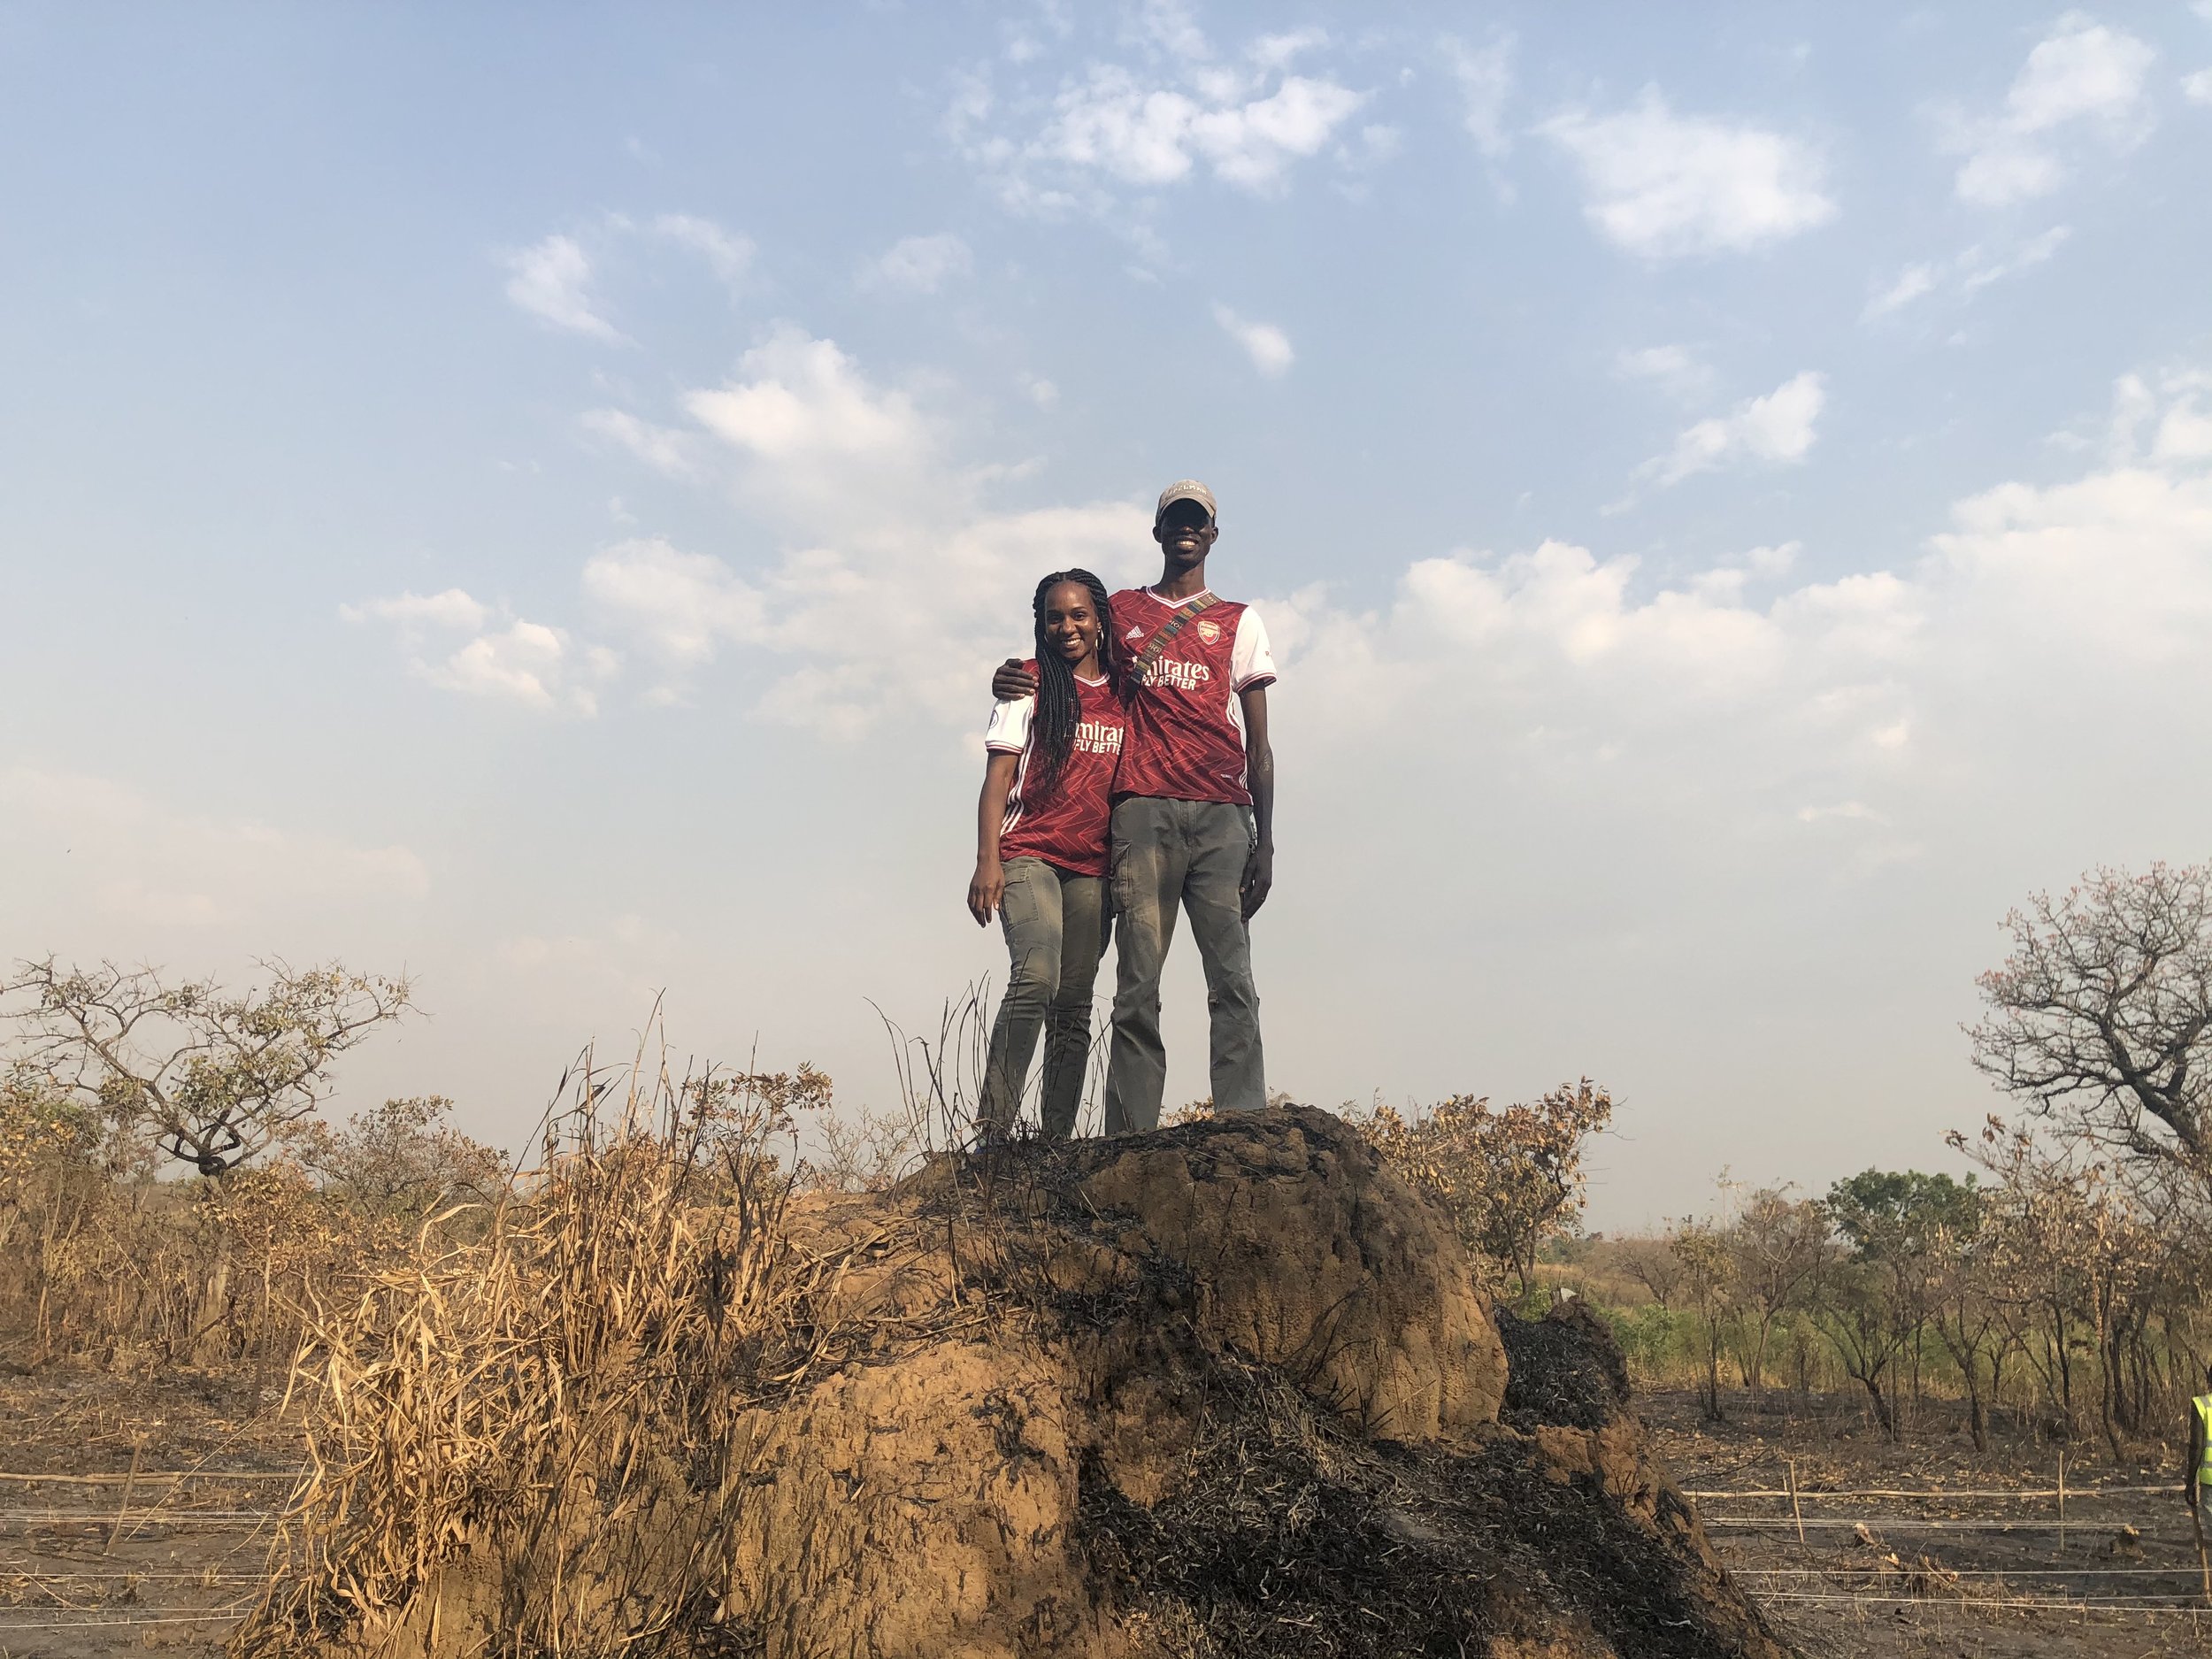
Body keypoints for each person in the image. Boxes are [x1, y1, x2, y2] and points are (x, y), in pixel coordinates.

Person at [992, 480, 1276, 1133]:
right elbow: (1070, 650)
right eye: (1173, 520)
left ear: (1211, 535)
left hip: (1223, 814)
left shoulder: (1240, 620)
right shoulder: (1120, 610)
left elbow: (1260, 744)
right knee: (1137, 981)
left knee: (1231, 976)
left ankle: (1242, 1126)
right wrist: (1013, 676)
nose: (1184, 531)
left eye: (1196, 522)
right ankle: (1129, 1135)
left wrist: (1266, 840)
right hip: (1141, 812)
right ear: (1157, 533)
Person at [968, 570, 1127, 1141]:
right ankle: (992, 1131)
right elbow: (997, 780)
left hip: (1092, 867)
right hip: (1028, 852)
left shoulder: (1121, 693)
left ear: (1100, 620)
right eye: (1054, 617)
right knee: (1036, 974)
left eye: (1079, 614)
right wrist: (988, 860)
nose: (1068, 627)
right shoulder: (1027, 685)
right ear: (1041, 625)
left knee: (1075, 1004)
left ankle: (1055, 1143)